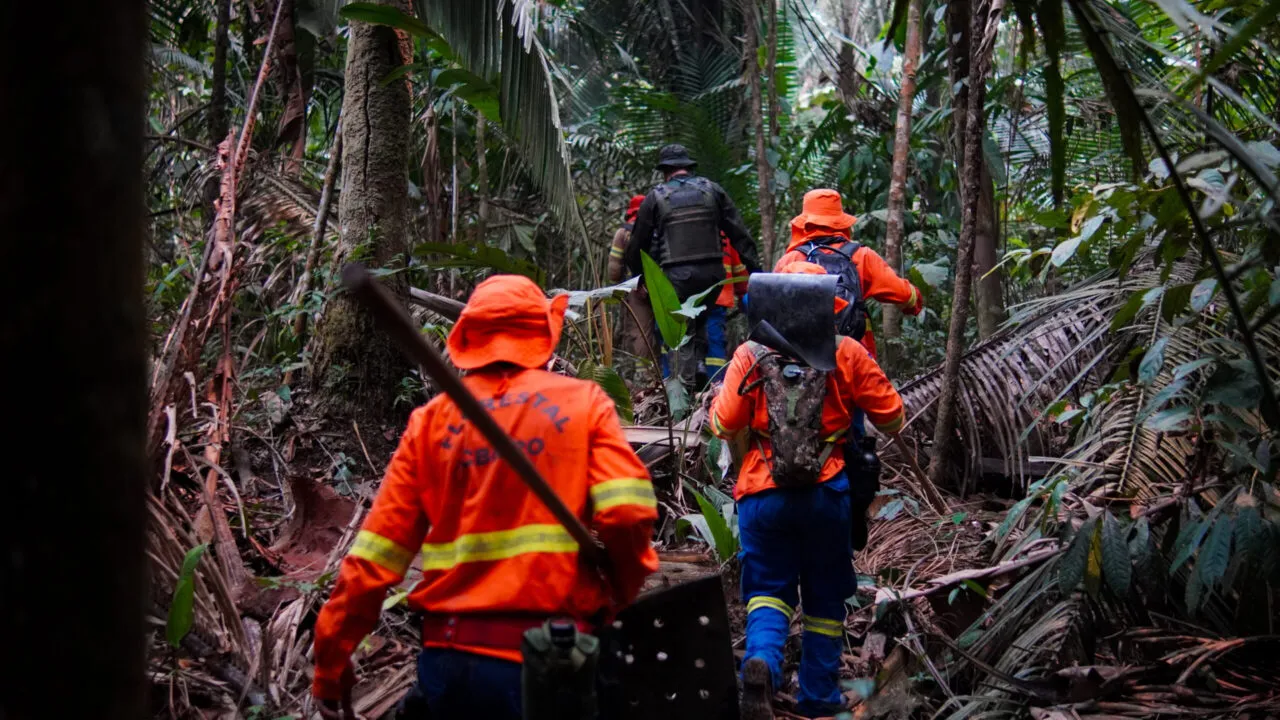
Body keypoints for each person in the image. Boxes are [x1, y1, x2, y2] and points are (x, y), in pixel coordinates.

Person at [311, 275, 660, 720]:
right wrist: (622, 588)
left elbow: (373, 558)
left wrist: (331, 660)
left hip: (453, 663)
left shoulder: (430, 423)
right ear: (544, 333)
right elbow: (628, 512)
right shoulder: (584, 403)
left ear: (468, 339)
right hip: (555, 662)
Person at [709, 264, 906, 720]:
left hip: (762, 493)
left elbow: (722, 424)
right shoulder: (846, 352)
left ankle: (763, 663)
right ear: (825, 301)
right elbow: (893, 416)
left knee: (767, 590)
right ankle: (817, 698)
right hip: (826, 495)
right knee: (824, 599)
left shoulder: (750, 354)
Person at [625, 143, 762, 392]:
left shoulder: (656, 197)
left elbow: (637, 245)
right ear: (688, 168)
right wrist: (757, 273)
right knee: (700, 322)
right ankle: (702, 375)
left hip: (676, 279)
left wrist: (640, 278)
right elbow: (739, 234)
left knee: (679, 336)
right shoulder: (713, 190)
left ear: (665, 171)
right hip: (713, 277)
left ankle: (683, 394)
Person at [775, 189, 924, 362]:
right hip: (856, 355)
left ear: (805, 223)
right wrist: (915, 301)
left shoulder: (790, 260)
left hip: (802, 357)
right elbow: (905, 295)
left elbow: (773, 313)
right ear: (841, 222)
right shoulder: (862, 256)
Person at [609, 194, 656, 360]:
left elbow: (614, 272)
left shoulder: (623, 232)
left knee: (641, 332)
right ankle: (668, 370)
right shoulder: (660, 226)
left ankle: (645, 372)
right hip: (662, 286)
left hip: (635, 289)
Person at [705, 235, 750, 380]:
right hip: (718, 296)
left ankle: (671, 385)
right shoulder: (723, 231)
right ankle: (716, 385)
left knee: (676, 343)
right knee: (714, 343)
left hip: (682, 292)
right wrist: (744, 295)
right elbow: (739, 268)